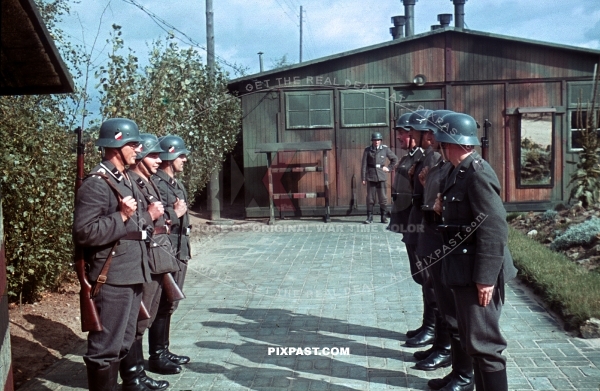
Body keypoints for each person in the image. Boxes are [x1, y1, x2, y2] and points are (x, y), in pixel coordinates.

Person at [434, 112, 518, 391]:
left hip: (477, 273)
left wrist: (486, 277)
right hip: (463, 269)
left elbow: (494, 228)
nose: (438, 146)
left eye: (441, 142)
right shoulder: (458, 172)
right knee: (474, 343)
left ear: (451, 142)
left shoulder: (476, 173)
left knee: (485, 345)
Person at [73, 118, 151, 391]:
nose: (138, 148)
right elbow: (84, 232)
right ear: (117, 145)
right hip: (112, 277)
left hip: (131, 272)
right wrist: (121, 216)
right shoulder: (97, 183)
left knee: (123, 342)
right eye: (134, 143)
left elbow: (140, 223)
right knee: (104, 349)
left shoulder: (125, 179)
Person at [415, 110, 476, 391]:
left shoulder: (463, 168)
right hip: (439, 236)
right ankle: (456, 367)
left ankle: (462, 373)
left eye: (434, 134)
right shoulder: (443, 164)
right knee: (442, 300)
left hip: (452, 245)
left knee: (454, 311)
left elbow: (491, 224)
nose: (429, 138)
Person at [121, 133, 182, 390]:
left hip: (159, 254)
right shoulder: (133, 181)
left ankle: (139, 372)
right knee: (138, 319)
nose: (160, 160)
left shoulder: (145, 181)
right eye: (154, 155)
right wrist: (167, 215)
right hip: (147, 256)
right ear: (141, 157)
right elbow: (140, 222)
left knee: (151, 313)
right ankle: (134, 376)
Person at [148, 135, 192, 375]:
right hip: (168, 248)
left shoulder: (174, 183)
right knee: (163, 302)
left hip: (180, 247)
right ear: (168, 156)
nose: (183, 159)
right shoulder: (158, 183)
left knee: (169, 304)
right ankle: (156, 356)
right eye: (180, 155)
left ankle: (163, 350)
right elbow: (162, 220)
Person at [361, 132, 398, 224]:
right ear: (372, 141)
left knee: (383, 198)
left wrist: (389, 168)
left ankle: (383, 217)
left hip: (381, 176)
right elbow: (364, 165)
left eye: (378, 140)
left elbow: (395, 159)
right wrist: (363, 177)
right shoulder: (367, 150)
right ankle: (369, 217)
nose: (376, 142)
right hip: (371, 176)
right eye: (374, 140)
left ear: (380, 140)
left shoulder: (385, 149)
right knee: (370, 198)